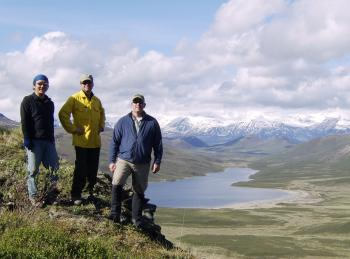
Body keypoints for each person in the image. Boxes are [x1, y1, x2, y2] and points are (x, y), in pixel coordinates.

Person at [109, 94, 163, 226]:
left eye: (140, 102)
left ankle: (136, 219)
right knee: (116, 183)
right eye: (135, 102)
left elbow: (158, 144)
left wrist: (157, 161)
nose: (137, 104)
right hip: (124, 160)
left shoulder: (152, 122)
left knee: (139, 190)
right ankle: (114, 214)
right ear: (131, 104)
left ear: (144, 105)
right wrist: (112, 160)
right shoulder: (122, 121)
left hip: (142, 162)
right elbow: (114, 142)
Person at [59, 74, 105, 205]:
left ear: (92, 84)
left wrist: (101, 125)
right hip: (81, 141)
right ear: (81, 84)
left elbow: (102, 113)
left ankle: (90, 193)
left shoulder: (97, 100)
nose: (87, 84)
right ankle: (76, 194)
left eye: (89, 82)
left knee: (93, 169)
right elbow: (63, 114)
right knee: (81, 169)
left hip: (95, 141)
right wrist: (73, 129)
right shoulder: (74, 98)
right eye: (84, 82)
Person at [20, 74, 59, 207]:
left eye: (45, 84)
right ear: (34, 85)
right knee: (33, 170)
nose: (42, 86)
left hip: (48, 142)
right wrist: (27, 138)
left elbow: (50, 123)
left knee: (54, 168)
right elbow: (25, 121)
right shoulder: (27, 101)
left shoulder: (50, 103)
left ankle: (51, 195)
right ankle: (34, 197)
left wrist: (52, 140)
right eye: (39, 83)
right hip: (34, 141)